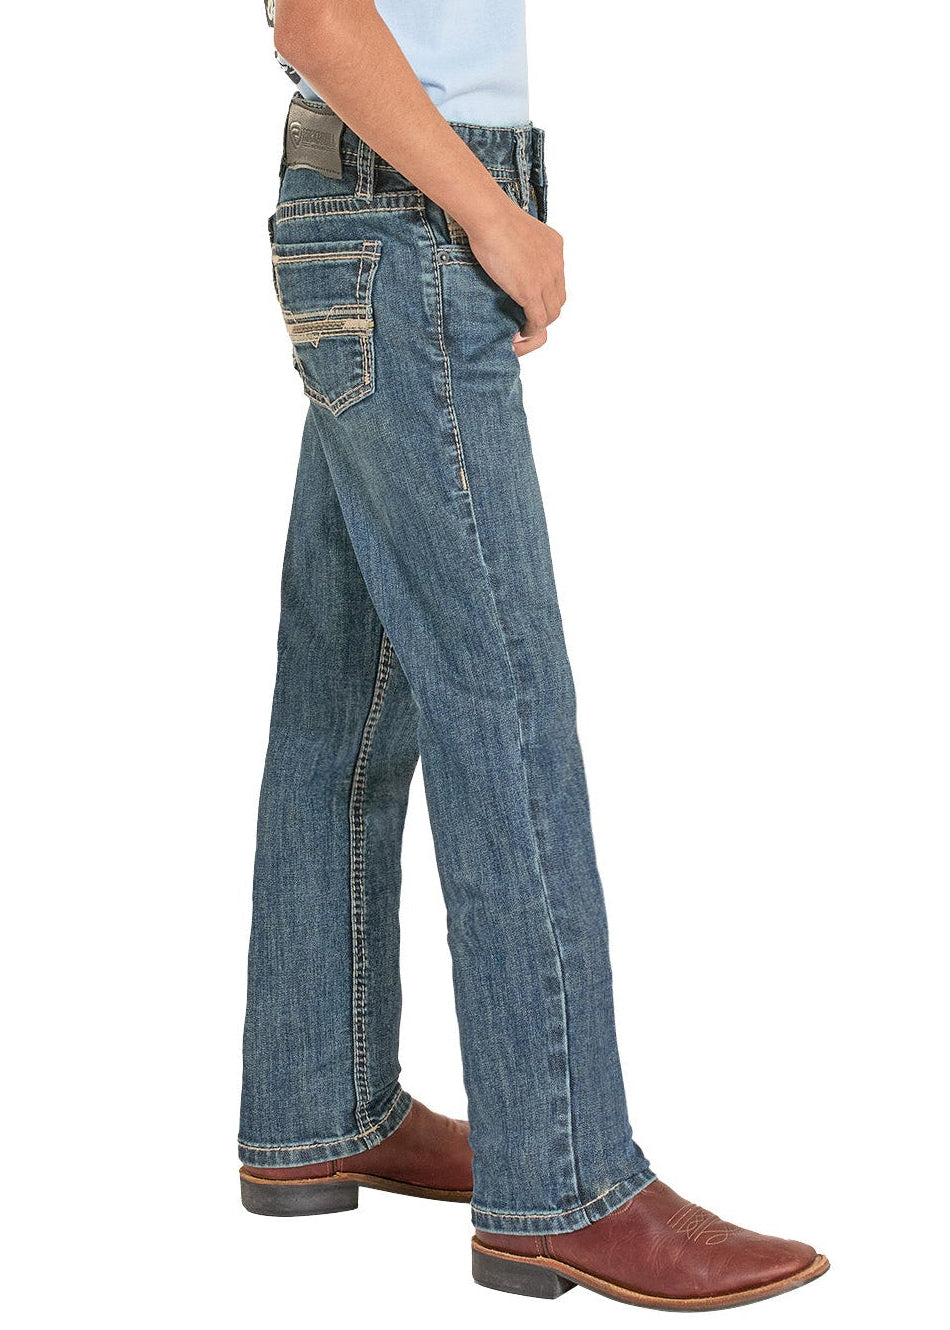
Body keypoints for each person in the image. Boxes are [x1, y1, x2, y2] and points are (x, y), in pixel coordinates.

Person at [239, 0, 830, 1311]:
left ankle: (316, 1099)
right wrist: (492, 216)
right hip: (413, 212)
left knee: (346, 696)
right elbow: (318, 17)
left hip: (380, 208)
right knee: (503, 709)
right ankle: (564, 1180)